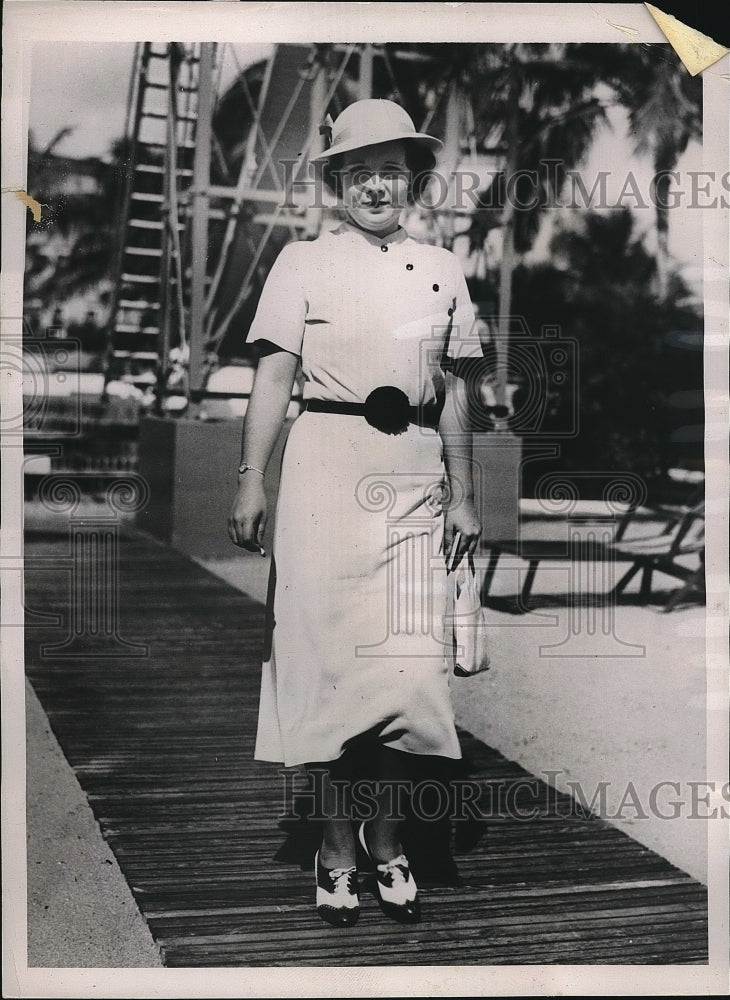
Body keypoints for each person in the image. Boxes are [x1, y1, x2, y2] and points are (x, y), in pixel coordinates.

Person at [228, 99, 481, 928]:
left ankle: (388, 838)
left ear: (414, 181)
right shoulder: (300, 264)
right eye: (359, 169)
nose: (377, 183)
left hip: (414, 481)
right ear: (337, 183)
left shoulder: (444, 267)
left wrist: (467, 495)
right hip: (322, 476)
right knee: (328, 670)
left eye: (392, 169)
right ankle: (334, 849)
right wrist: (250, 479)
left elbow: (454, 395)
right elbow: (272, 380)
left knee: (407, 675)